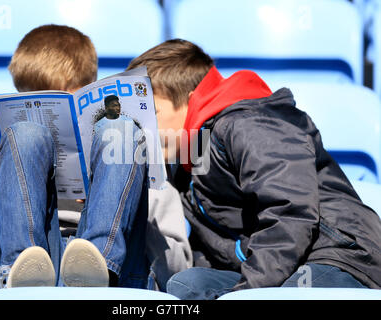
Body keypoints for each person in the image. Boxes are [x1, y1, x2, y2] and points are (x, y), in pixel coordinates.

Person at [126, 39, 381, 299]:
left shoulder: (250, 122)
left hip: (340, 257)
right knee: (187, 284)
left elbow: (290, 212)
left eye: (151, 112)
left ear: (190, 100)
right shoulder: (190, 162)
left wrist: (248, 293)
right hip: (276, 270)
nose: (144, 128)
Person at [0, 25, 192, 294]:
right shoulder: (1, 171)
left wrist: (129, 203)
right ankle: (21, 271)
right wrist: (11, 226)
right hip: (23, 281)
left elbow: (178, 274)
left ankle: (96, 264)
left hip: (115, 279)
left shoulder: (131, 158)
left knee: (120, 130)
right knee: (25, 137)